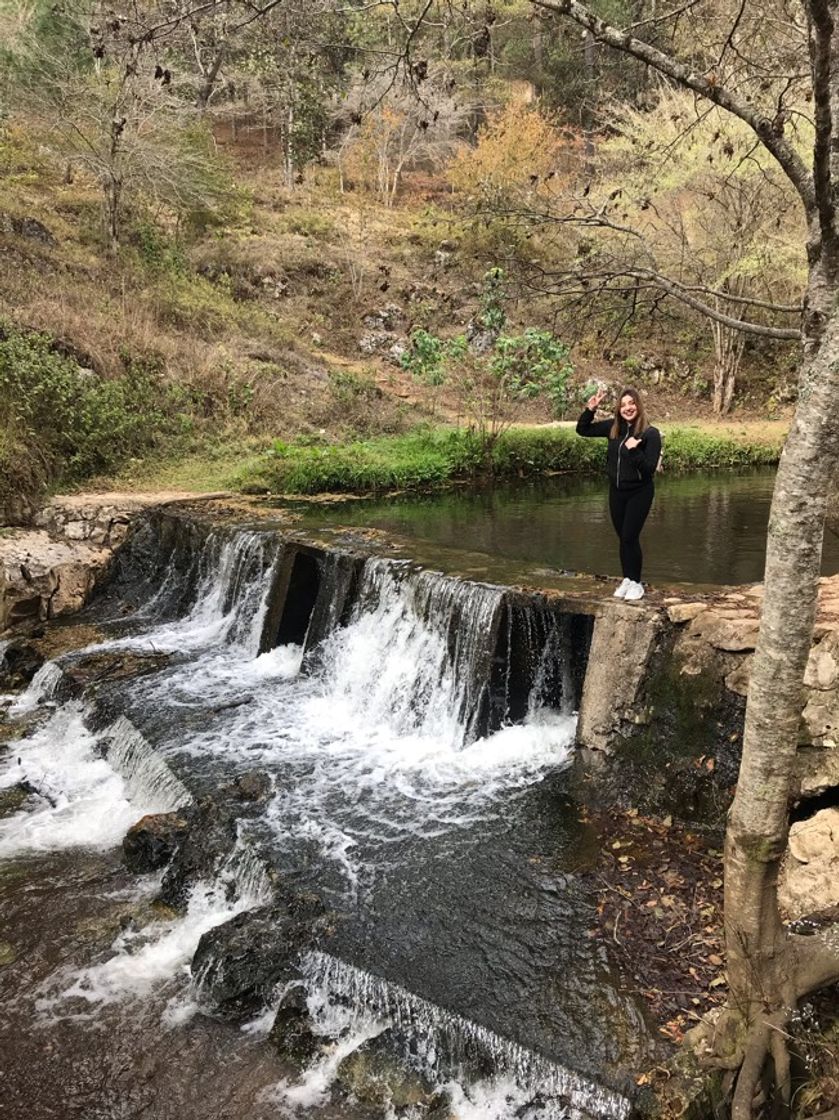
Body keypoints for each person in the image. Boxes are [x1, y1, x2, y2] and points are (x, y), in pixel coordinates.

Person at [576, 385, 662, 601]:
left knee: (629, 536)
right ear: (618, 409)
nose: (627, 408)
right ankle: (627, 579)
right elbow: (582, 430)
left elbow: (649, 468)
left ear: (639, 406)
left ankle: (636, 583)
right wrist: (590, 409)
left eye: (631, 403)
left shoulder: (650, 434)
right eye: (623, 405)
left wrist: (634, 451)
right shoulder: (613, 429)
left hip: (639, 492)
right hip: (617, 492)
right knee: (622, 539)